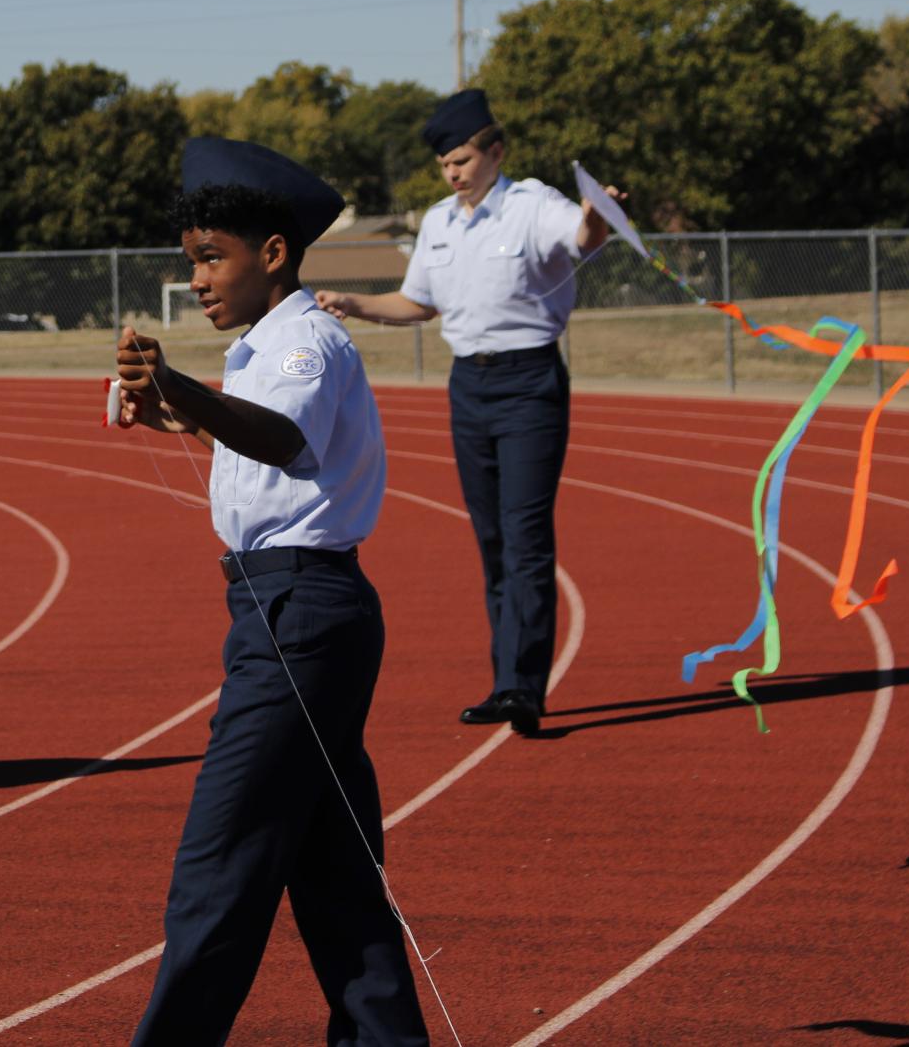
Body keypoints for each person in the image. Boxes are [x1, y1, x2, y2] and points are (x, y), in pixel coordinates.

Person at [115, 137, 428, 1046]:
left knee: (218, 867)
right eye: (192, 262)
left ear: (275, 253)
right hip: (284, 608)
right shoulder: (262, 346)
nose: (200, 279)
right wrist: (168, 403)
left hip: (299, 613)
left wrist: (180, 388)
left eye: (214, 258)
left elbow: (283, 442)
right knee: (334, 875)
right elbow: (257, 438)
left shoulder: (305, 343)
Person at [315, 89, 617, 738]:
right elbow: (419, 304)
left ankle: (521, 687)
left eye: (462, 160)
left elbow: (583, 239)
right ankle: (504, 678)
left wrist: (600, 214)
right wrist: (352, 302)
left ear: (494, 152)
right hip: (467, 386)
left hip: (529, 379)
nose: (453, 173)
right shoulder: (438, 222)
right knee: (491, 539)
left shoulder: (532, 203)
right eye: (445, 164)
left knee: (526, 535)